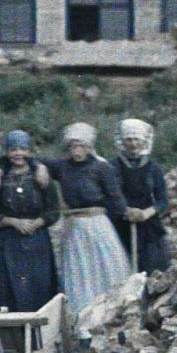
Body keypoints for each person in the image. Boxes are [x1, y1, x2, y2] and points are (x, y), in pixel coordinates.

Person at [48, 121, 132, 333]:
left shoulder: (101, 168)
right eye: (73, 146)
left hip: (97, 226)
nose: (77, 150)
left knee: (105, 270)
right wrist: (39, 170)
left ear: (89, 147)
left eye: (81, 146)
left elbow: (115, 197)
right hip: (74, 227)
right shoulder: (63, 167)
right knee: (79, 273)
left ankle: (111, 320)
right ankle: (83, 325)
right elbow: (36, 163)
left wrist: (127, 212)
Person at [0, 130, 61, 311]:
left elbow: (53, 210)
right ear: (7, 152)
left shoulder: (41, 176)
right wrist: (13, 222)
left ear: (30, 151)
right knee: (9, 287)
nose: (18, 154)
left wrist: (36, 223)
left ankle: (41, 333)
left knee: (39, 285)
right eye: (13, 149)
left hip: (37, 240)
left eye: (23, 149)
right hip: (8, 241)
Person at [113, 117, 173, 274]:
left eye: (136, 140)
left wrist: (145, 213)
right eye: (129, 140)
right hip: (120, 223)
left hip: (148, 224)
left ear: (144, 141)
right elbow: (107, 196)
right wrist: (126, 211)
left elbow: (162, 200)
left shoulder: (153, 169)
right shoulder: (112, 167)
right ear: (122, 142)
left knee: (152, 268)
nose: (133, 144)